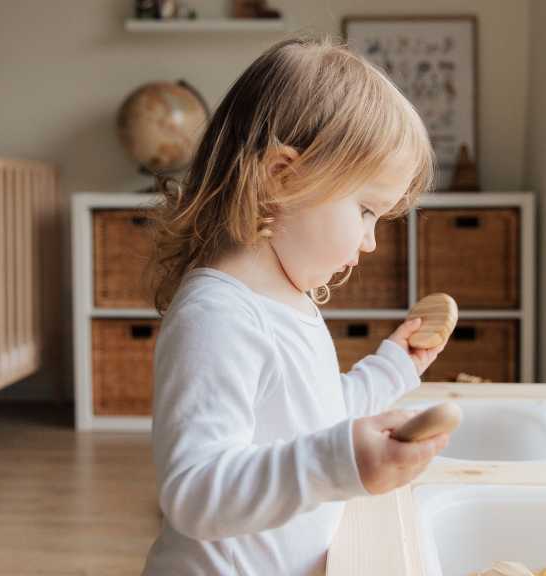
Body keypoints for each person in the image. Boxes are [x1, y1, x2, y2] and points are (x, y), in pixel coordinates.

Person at [141, 36, 448, 575]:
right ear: (283, 176)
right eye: (366, 210)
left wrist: (393, 368)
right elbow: (194, 491)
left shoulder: (287, 299)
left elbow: (311, 415)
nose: (371, 241)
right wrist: (339, 462)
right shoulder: (218, 317)